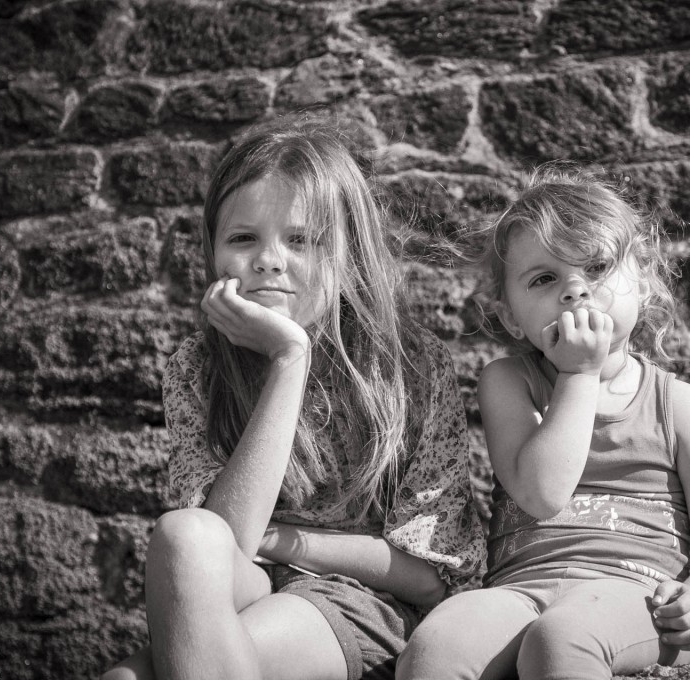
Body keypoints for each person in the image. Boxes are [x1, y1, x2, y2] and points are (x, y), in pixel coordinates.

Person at [102, 119, 485, 680]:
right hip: (249, 587)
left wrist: (281, 541)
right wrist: (288, 362)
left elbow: (431, 574)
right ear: (212, 253)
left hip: (362, 602)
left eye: (301, 239)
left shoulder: (411, 367)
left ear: (348, 253)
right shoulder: (196, 368)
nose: (269, 260)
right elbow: (222, 549)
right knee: (183, 534)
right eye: (242, 238)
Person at [396, 167, 690, 679]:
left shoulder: (682, 406)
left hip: (635, 597)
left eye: (597, 266)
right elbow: (541, 494)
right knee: (436, 647)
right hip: (519, 589)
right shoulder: (508, 382)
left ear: (644, 282)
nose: (574, 291)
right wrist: (578, 376)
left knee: (560, 640)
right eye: (544, 278)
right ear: (513, 317)